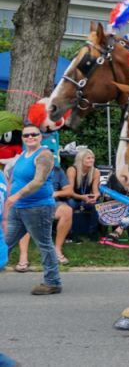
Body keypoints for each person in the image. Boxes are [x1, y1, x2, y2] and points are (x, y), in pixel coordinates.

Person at [2, 123, 62, 294]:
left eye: (34, 134)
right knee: (4, 243)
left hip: (38, 208)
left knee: (44, 244)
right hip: (16, 209)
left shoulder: (44, 155)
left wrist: (15, 196)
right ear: (22, 138)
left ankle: (53, 283)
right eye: (26, 135)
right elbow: (15, 180)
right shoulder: (22, 156)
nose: (30, 137)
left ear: (40, 136)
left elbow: (38, 181)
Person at [16, 165, 74, 269]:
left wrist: (55, 193)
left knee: (67, 211)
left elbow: (69, 191)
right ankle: (23, 256)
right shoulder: (27, 169)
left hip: (52, 202)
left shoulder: (57, 170)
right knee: (26, 214)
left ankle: (57, 250)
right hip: (32, 201)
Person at [66, 148, 102, 242]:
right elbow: (69, 192)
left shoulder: (95, 171)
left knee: (97, 204)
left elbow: (96, 191)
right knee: (70, 203)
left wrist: (95, 197)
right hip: (73, 197)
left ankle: (92, 232)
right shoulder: (72, 170)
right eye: (88, 158)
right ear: (80, 160)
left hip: (86, 199)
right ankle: (69, 233)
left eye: (93, 158)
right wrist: (83, 197)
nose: (92, 160)